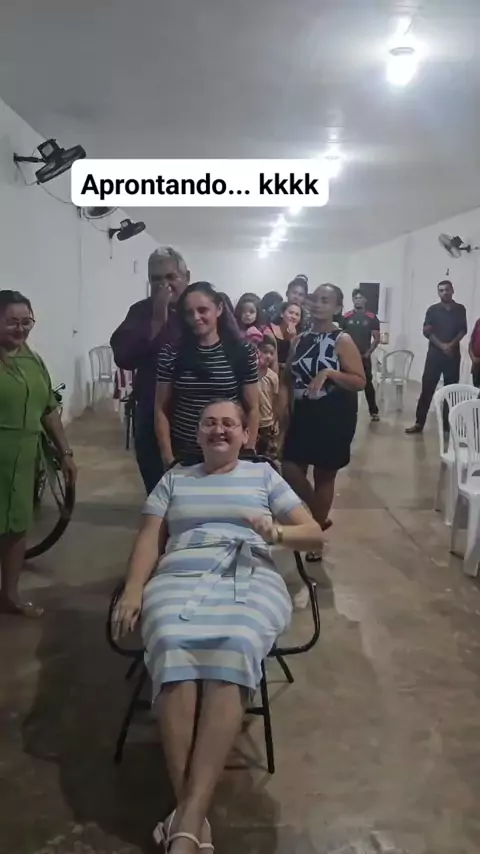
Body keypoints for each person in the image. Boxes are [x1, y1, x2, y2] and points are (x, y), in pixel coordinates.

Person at [113, 399, 324, 853]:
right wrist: (133, 589)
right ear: (198, 434)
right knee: (171, 639)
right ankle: (191, 815)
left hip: (248, 574)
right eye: (210, 423)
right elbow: (149, 537)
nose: (219, 430)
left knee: (236, 640)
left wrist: (275, 533)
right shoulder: (175, 479)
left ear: (246, 435)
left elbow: (313, 532)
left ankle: (186, 820)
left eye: (229, 423)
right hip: (179, 573)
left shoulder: (263, 476)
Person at [0, 290, 77, 617]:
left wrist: (65, 452)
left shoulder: (33, 360)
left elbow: (48, 409)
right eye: (11, 322)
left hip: (24, 459)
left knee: (17, 526)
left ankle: (10, 596)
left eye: (26, 321)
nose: (20, 329)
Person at [280, 284, 365, 562]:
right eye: (315, 299)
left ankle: (314, 537)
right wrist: (284, 408)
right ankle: (318, 518)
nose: (317, 304)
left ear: (337, 308)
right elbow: (288, 376)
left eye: (325, 300)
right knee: (290, 468)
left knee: (324, 476)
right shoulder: (299, 339)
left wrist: (330, 373)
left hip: (334, 413)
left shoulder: (342, 340)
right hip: (304, 412)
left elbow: (359, 381)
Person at [110, 247, 190, 492]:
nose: (164, 285)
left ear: (186, 277)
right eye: (156, 279)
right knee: (156, 483)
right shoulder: (140, 312)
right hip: (150, 408)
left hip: (193, 411)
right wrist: (156, 322)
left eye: (171, 277)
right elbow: (124, 357)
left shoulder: (199, 309)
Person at [155, 282, 259, 466]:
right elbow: (161, 409)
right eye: (189, 312)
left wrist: (247, 452)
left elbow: (252, 408)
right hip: (185, 455)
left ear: (219, 309)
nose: (196, 317)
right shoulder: (171, 353)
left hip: (230, 455)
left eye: (202, 310)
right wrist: (168, 457)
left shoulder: (242, 352)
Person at [406, 280, 467, 434]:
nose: (444, 292)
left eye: (447, 289)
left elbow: (463, 330)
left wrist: (451, 345)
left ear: (452, 290)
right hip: (434, 356)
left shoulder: (460, 309)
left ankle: (448, 425)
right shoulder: (432, 310)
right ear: (438, 293)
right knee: (427, 389)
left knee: (450, 391)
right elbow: (427, 332)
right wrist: (442, 346)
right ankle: (419, 423)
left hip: (453, 356)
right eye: (441, 290)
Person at [342, 289, 380, 421]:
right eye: (355, 298)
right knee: (348, 384)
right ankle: (347, 410)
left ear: (365, 300)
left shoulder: (372, 318)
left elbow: (376, 338)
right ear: (353, 300)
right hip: (349, 357)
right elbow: (341, 336)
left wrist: (368, 353)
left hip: (364, 356)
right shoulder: (346, 317)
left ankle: (374, 411)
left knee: (367, 383)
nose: (358, 300)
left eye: (360, 298)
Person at [256, 338, 279, 461]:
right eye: (265, 352)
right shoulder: (250, 373)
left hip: (266, 421)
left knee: (263, 454)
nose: (268, 356)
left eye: (271, 353)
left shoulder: (273, 377)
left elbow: (275, 400)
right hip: (251, 420)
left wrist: (275, 421)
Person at [268, 301, 303, 373]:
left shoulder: (300, 337)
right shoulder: (269, 329)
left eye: (297, 314)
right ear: (282, 314)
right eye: (291, 313)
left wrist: (293, 339)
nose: (293, 317)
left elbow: (295, 360)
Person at [468, 316, 480, 388]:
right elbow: (471, 342)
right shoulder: (478, 322)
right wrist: (472, 357)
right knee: (475, 389)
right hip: (476, 366)